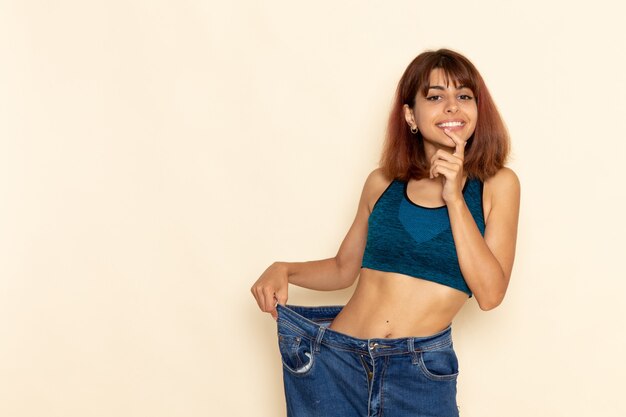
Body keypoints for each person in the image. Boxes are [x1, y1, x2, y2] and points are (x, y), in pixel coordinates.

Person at [251, 48, 520, 417]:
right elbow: (345, 268)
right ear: (411, 114)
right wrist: (285, 269)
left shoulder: (497, 185)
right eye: (436, 97)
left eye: (464, 96)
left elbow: (490, 294)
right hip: (336, 362)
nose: (452, 107)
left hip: (419, 373)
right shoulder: (382, 184)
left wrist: (454, 198)